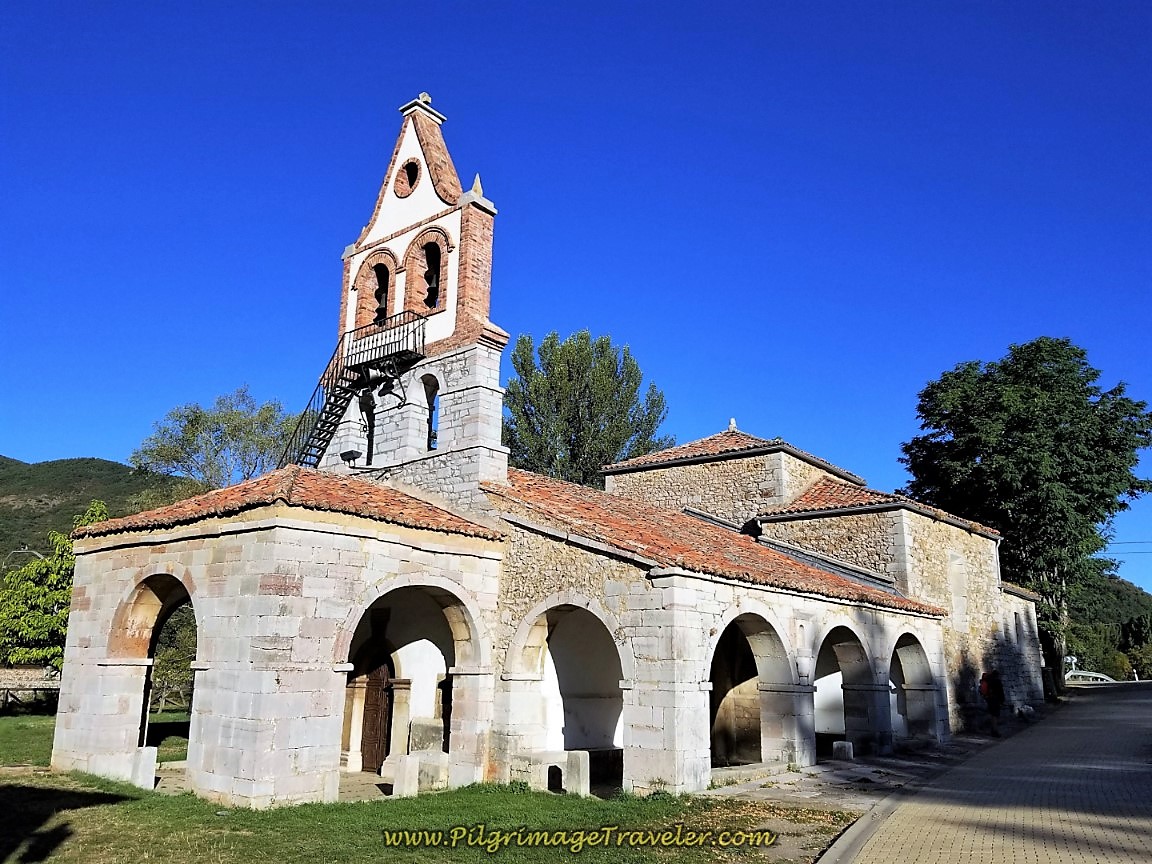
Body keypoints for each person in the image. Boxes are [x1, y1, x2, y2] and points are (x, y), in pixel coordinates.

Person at [979, 670, 1006, 736]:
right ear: (997, 675)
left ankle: (993, 729)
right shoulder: (997, 681)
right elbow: (1000, 692)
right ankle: (994, 731)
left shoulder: (988, 680)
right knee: (995, 715)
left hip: (989, 699)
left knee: (992, 715)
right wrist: (1002, 701)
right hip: (995, 700)